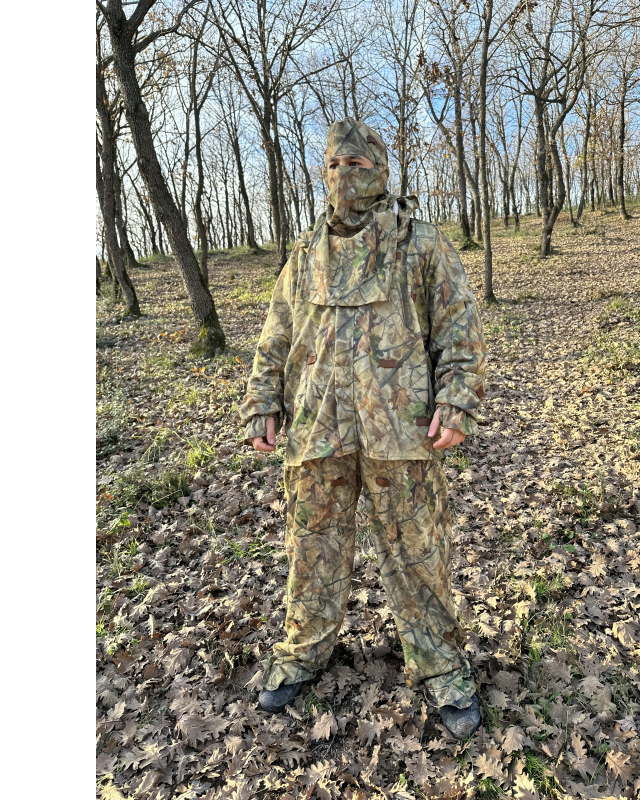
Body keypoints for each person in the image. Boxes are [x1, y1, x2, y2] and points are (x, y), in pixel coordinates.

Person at [239, 117, 486, 739]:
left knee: (417, 552)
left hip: (401, 430)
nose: (343, 177)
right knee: (312, 551)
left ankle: (440, 665)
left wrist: (457, 400)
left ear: (380, 171)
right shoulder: (304, 254)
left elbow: (458, 327)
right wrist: (262, 400)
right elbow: (276, 336)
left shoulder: (419, 244)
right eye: (333, 166)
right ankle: (304, 652)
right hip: (317, 426)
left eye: (356, 165)